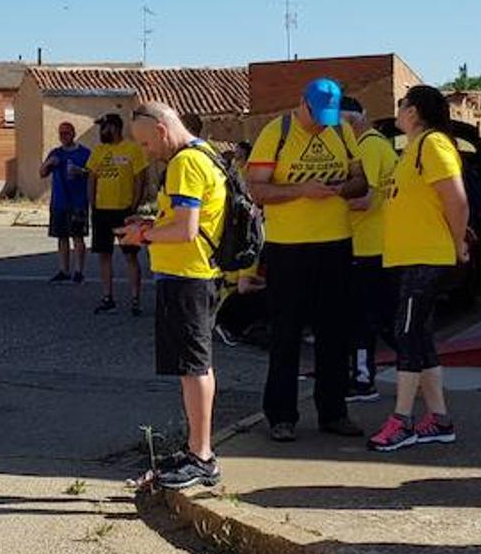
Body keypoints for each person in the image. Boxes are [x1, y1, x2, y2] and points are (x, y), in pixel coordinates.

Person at [247, 78, 369, 441]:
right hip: (288, 248)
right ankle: (281, 416)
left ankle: (334, 412)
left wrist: (342, 188)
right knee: (286, 334)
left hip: (335, 243)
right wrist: (302, 190)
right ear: (303, 103)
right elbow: (257, 189)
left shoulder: (342, 130)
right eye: (318, 116)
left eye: (329, 117)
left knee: (335, 332)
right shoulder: (277, 132)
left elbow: (361, 181)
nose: (322, 123)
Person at [118, 102, 228, 490]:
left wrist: (142, 236)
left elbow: (186, 230)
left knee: (194, 367)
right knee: (193, 366)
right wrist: (151, 224)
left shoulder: (184, 164)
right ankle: (197, 448)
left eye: (147, 144)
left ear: (163, 131)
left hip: (188, 276)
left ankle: (202, 456)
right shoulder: (205, 153)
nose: (147, 153)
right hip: (195, 274)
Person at [366, 86, 470, 452]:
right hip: (410, 256)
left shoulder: (434, 145)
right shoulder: (412, 149)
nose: (398, 110)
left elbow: (456, 201)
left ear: (415, 112)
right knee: (420, 337)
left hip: (427, 256)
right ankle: (439, 419)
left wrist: (458, 244)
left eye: (401, 105)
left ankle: (402, 420)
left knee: (406, 334)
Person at [344, 97, 398, 402]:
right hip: (379, 244)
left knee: (363, 318)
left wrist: (322, 200)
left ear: (351, 121)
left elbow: (364, 200)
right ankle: (416, 370)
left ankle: (363, 380)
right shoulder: (381, 145)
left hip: (367, 246)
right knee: (382, 316)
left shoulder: (367, 147)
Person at [86, 113, 150, 315]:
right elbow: (92, 177)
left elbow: (141, 178)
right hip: (101, 210)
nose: (101, 132)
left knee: (130, 256)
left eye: (104, 127)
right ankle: (107, 297)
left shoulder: (132, 149)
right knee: (104, 254)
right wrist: (92, 203)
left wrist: (134, 205)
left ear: (114, 127)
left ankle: (135, 299)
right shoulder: (99, 150)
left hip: (124, 210)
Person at [41, 121, 91, 283]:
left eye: (66, 133)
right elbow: (42, 173)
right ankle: (63, 270)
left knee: (77, 237)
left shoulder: (84, 153)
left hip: (78, 202)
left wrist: (80, 171)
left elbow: (93, 174)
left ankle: (78, 271)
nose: (63, 137)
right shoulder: (55, 153)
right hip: (59, 202)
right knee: (61, 237)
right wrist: (49, 163)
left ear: (74, 134)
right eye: (61, 133)